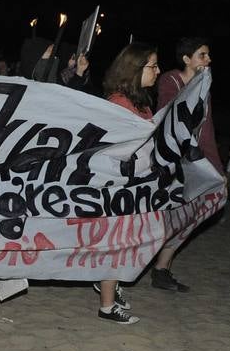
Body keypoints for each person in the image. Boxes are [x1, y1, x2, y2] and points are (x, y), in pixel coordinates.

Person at [92, 42, 168, 325]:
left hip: (138, 183)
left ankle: (106, 283)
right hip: (119, 185)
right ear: (136, 69)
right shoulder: (119, 103)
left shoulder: (141, 100)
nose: (158, 71)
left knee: (133, 240)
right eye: (153, 65)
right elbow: (113, 147)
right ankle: (107, 306)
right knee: (118, 243)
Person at [156, 37, 221, 173]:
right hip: (170, 159)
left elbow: (206, 132)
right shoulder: (170, 80)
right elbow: (169, 118)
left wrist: (217, 170)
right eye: (202, 55)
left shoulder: (203, 91)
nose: (208, 59)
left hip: (192, 158)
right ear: (186, 59)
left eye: (208, 55)